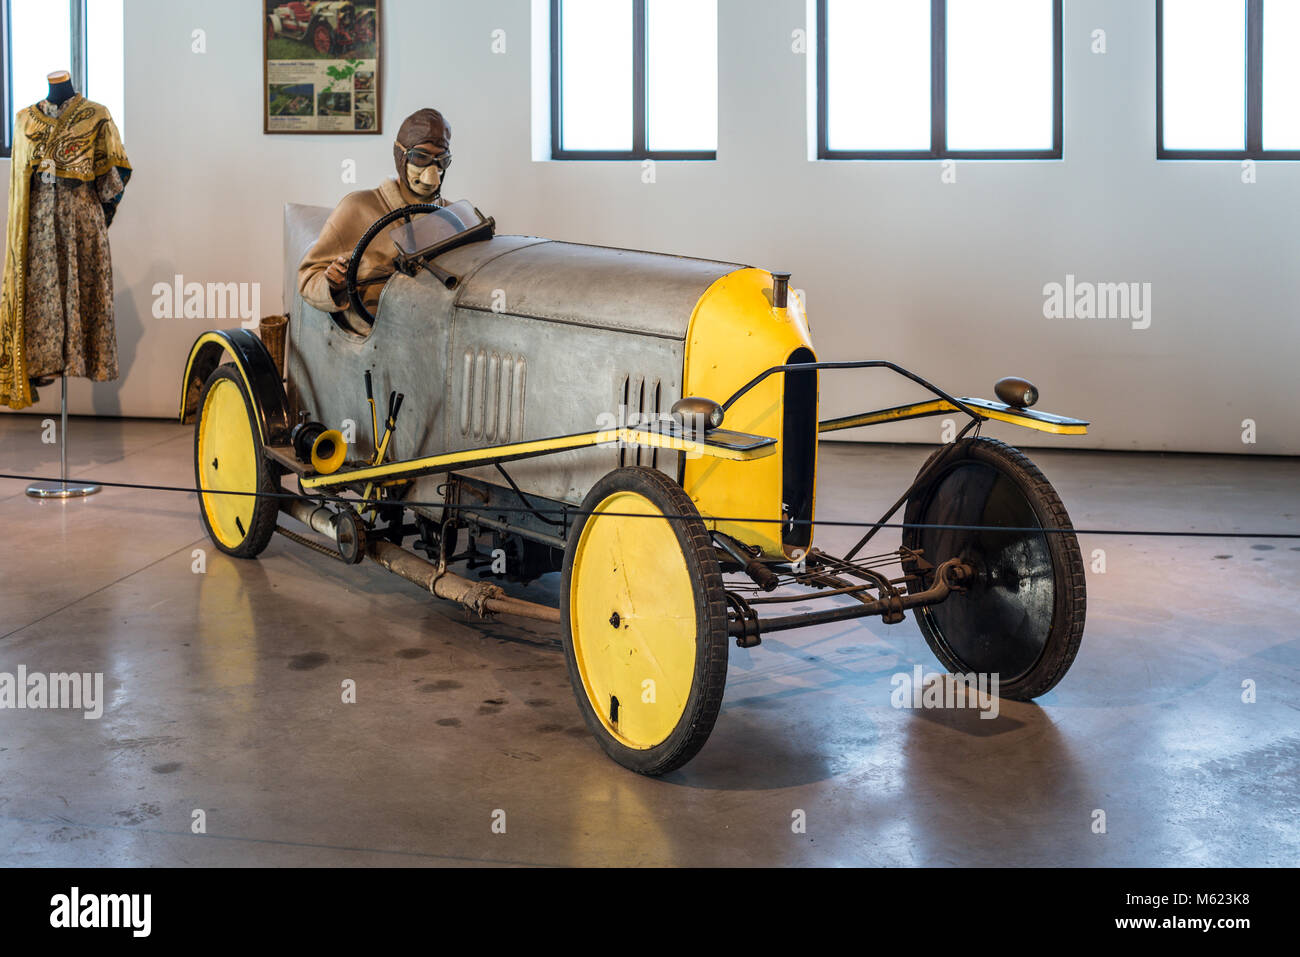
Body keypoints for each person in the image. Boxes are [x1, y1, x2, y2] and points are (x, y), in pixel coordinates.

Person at [298, 107, 452, 331]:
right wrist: (333, 285)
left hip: (435, 334)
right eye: (420, 157)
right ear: (401, 156)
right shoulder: (356, 208)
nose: (432, 172)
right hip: (373, 341)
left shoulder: (453, 218)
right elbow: (308, 277)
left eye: (442, 160)